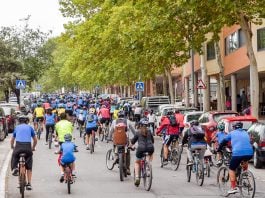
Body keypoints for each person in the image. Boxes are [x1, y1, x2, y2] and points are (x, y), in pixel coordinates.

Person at [217, 122, 253, 195]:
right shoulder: (246, 133)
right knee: (244, 160)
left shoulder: (232, 133)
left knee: (231, 169)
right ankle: (245, 174)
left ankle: (233, 187)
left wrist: (219, 149)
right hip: (249, 152)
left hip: (238, 153)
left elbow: (224, 141)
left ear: (234, 127)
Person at [10, 115, 37, 190]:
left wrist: (12, 147)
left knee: (14, 155)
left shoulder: (17, 128)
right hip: (28, 147)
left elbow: (12, 140)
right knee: (29, 166)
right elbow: (35, 140)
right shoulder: (30, 127)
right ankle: (29, 183)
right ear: (27, 121)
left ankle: (15, 168)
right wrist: (33, 148)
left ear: (19, 121)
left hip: (18, 146)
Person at [109, 110, 136, 175]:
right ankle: (128, 169)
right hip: (125, 141)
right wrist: (136, 137)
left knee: (114, 145)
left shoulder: (114, 121)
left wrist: (109, 137)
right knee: (128, 153)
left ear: (118, 116)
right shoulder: (128, 121)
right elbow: (133, 131)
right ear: (124, 116)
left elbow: (111, 131)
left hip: (116, 140)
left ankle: (116, 156)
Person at [130, 118, 154, 186]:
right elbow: (152, 141)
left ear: (140, 125)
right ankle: (148, 167)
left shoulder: (138, 132)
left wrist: (130, 146)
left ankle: (137, 177)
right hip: (150, 148)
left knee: (137, 162)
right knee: (149, 154)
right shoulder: (150, 131)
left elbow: (132, 142)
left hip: (140, 149)